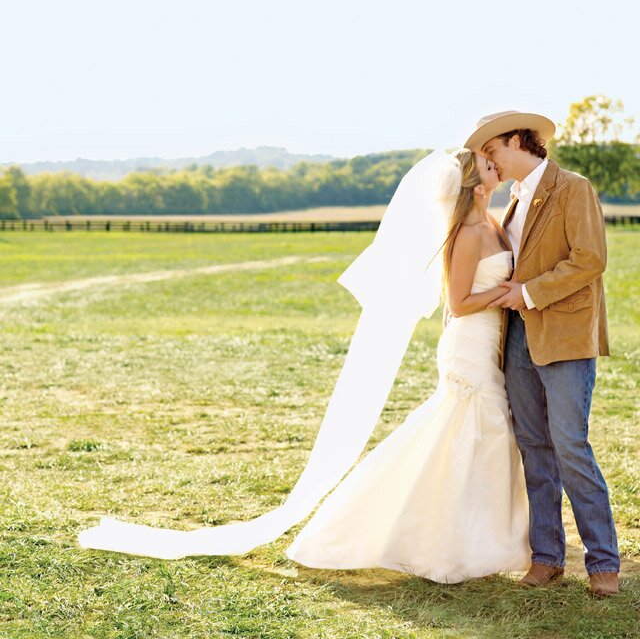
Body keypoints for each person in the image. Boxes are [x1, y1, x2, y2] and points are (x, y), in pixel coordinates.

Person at [78, 148, 530, 582]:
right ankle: (398, 530)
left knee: (478, 434)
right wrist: (507, 293)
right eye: (491, 166)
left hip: (491, 343)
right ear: (474, 185)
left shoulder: (493, 221)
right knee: (470, 427)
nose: (499, 169)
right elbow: (459, 301)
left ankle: (477, 533)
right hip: (470, 345)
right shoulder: (466, 235)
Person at [466, 110, 620, 597]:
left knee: (570, 445)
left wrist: (528, 292)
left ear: (516, 140)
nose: (489, 162)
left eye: (492, 151)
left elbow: (589, 259)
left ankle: (603, 564)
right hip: (518, 339)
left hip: (565, 336)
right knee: (534, 447)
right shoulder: (511, 201)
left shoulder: (573, 187)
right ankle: (548, 557)